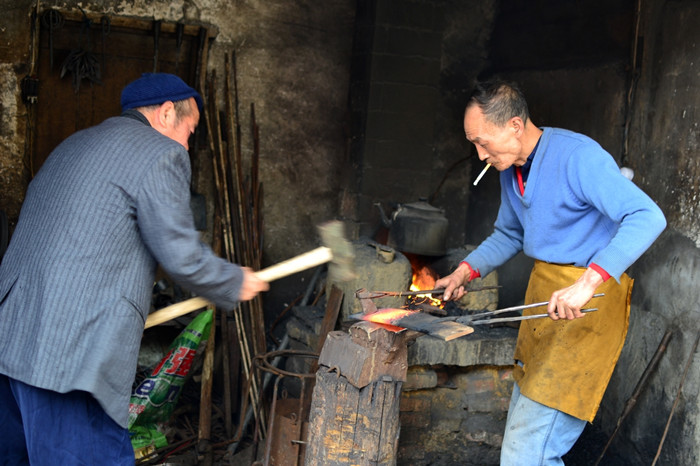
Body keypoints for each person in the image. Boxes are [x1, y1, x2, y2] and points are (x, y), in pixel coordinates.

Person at [0, 73, 269, 465]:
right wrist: (234, 280)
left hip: (10, 342)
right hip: (68, 359)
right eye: (190, 132)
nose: (187, 145)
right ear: (166, 113)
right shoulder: (160, 153)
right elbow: (181, 254)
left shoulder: (73, 144)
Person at [435, 79, 666, 465]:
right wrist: (465, 271)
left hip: (585, 306)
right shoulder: (510, 170)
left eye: (482, 143)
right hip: (545, 304)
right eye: (473, 144)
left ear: (514, 125)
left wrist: (588, 282)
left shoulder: (577, 156)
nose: (479, 155)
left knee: (528, 453)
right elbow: (510, 233)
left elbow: (647, 216)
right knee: (525, 444)